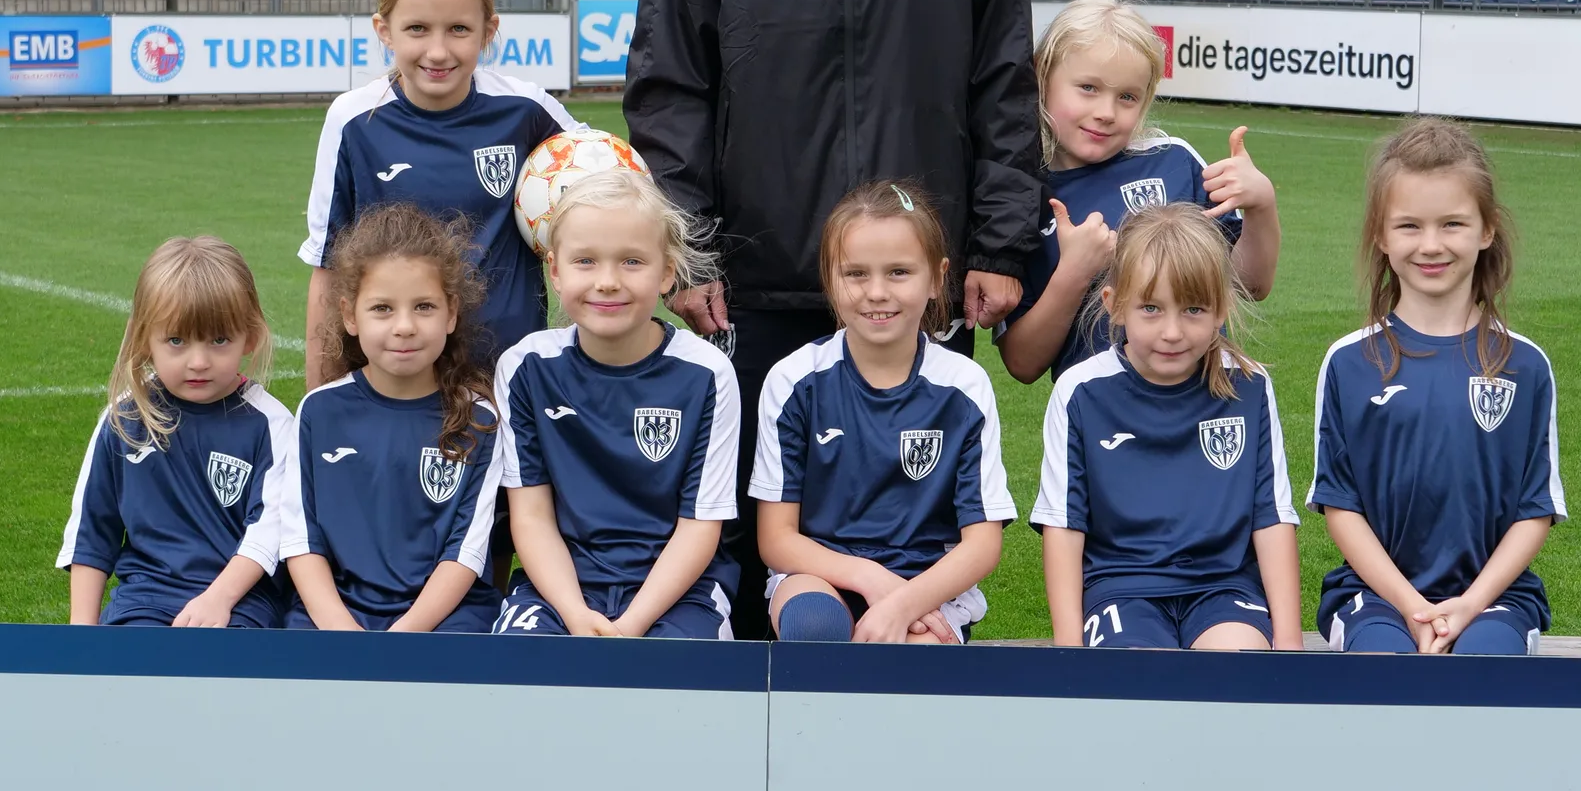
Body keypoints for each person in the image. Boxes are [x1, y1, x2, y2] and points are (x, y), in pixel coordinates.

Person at [625, 0, 1043, 637]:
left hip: (917, 269)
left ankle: (919, 722)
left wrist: (998, 242)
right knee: (762, 553)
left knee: (923, 548)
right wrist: (689, 249)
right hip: (759, 276)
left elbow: (1002, 69)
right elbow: (671, 76)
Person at [1308, 118, 1565, 655]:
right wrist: (1411, 606)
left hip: (1494, 600)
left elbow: (1534, 509)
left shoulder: (1525, 365)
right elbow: (1340, 507)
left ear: (1486, 229)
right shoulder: (1349, 362)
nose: (1431, 245)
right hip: (1376, 597)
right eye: (1409, 226)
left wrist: (1468, 605)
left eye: (1452, 224)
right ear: (1380, 235)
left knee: (1483, 670)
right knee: (1386, 671)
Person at [300, 0, 584, 388]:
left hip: (508, 380)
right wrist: (319, 400)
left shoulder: (526, 110)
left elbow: (610, 181)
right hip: (393, 385)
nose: (438, 51)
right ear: (384, 30)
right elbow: (327, 267)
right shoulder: (353, 120)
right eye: (417, 28)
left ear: (488, 31)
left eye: (459, 29)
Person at [753, 183, 1013, 644]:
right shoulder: (793, 380)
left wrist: (904, 604)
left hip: (928, 585)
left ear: (937, 278)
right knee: (814, 627)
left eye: (898, 272)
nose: (876, 292)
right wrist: (872, 579)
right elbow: (776, 538)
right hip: (820, 574)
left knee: (906, 659)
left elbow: (982, 544)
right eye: (856, 273)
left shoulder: (964, 387)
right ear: (829, 278)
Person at [1034, 206, 1300, 651]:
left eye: (1193, 308)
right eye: (1151, 308)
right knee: (1140, 673)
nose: (1172, 332)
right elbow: (1063, 525)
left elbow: (1271, 515)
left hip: (1222, 587)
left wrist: (1289, 639)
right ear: (1115, 305)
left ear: (1221, 307)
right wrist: (1068, 648)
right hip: (1122, 588)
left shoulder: (1248, 384)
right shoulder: (1079, 391)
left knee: (1237, 662)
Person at [490, 169, 740, 638]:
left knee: (674, 675)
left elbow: (699, 527)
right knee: (520, 667)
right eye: (585, 261)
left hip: (680, 591)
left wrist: (631, 627)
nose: (607, 281)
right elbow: (532, 516)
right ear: (555, 271)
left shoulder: (707, 374)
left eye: (631, 261)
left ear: (667, 272)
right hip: (560, 588)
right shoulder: (525, 368)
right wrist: (573, 613)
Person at [998, 0, 1279, 385]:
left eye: (1127, 97)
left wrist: (1261, 205)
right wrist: (1074, 273)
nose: (1106, 112)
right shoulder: (1021, 197)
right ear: (1043, 78)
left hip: (1205, 401)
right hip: (1101, 412)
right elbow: (1022, 363)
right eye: (1088, 88)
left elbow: (1250, 285)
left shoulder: (1175, 162)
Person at [283, 204, 503, 633]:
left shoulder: (478, 419)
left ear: (451, 313)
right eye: (383, 308)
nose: (404, 326)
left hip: (444, 616)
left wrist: (402, 636)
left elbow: (466, 552)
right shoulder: (319, 412)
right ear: (350, 315)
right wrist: (341, 631)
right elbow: (301, 540)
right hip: (336, 612)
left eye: (423, 307)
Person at [59, 236, 299, 628]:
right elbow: (92, 531)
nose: (199, 361)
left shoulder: (271, 424)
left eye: (219, 340)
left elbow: (270, 529)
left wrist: (218, 600)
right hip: (145, 599)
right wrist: (81, 634)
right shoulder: (124, 419)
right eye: (176, 340)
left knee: (227, 662)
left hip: (241, 602)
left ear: (250, 337)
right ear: (143, 339)